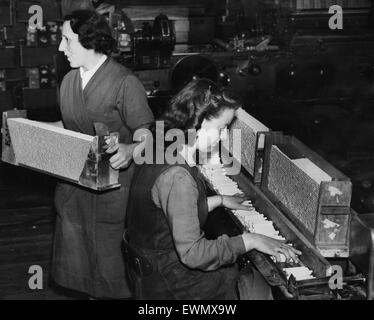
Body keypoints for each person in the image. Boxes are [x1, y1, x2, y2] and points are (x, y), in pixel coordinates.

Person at [125, 79, 301, 300]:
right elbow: (194, 255)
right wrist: (250, 240)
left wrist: (218, 200)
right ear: (194, 124)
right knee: (246, 281)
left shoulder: (162, 148)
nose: (224, 136)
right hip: (168, 282)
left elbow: (169, 213)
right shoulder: (178, 177)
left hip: (148, 268)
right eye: (221, 128)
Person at [52, 10, 154, 299]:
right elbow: (69, 123)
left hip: (112, 192)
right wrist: (26, 132)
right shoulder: (69, 81)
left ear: (89, 41)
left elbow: (146, 132)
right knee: (80, 261)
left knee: (111, 268)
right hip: (75, 186)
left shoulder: (124, 82)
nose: (61, 47)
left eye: (66, 40)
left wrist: (131, 149)